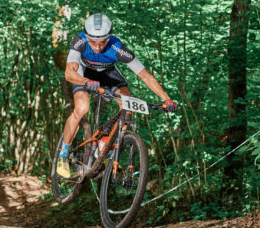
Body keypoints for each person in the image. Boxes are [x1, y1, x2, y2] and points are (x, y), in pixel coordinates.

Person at [56, 13, 177, 178]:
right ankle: (63, 154)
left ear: (109, 38)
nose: (97, 47)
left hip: (108, 73)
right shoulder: (80, 41)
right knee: (82, 108)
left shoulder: (118, 48)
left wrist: (166, 99)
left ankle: (105, 147)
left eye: (102, 42)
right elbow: (69, 73)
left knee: (127, 105)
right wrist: (86, 82)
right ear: (86, 37)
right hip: (84, 74)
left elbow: (145, 76)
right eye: (93, 42)